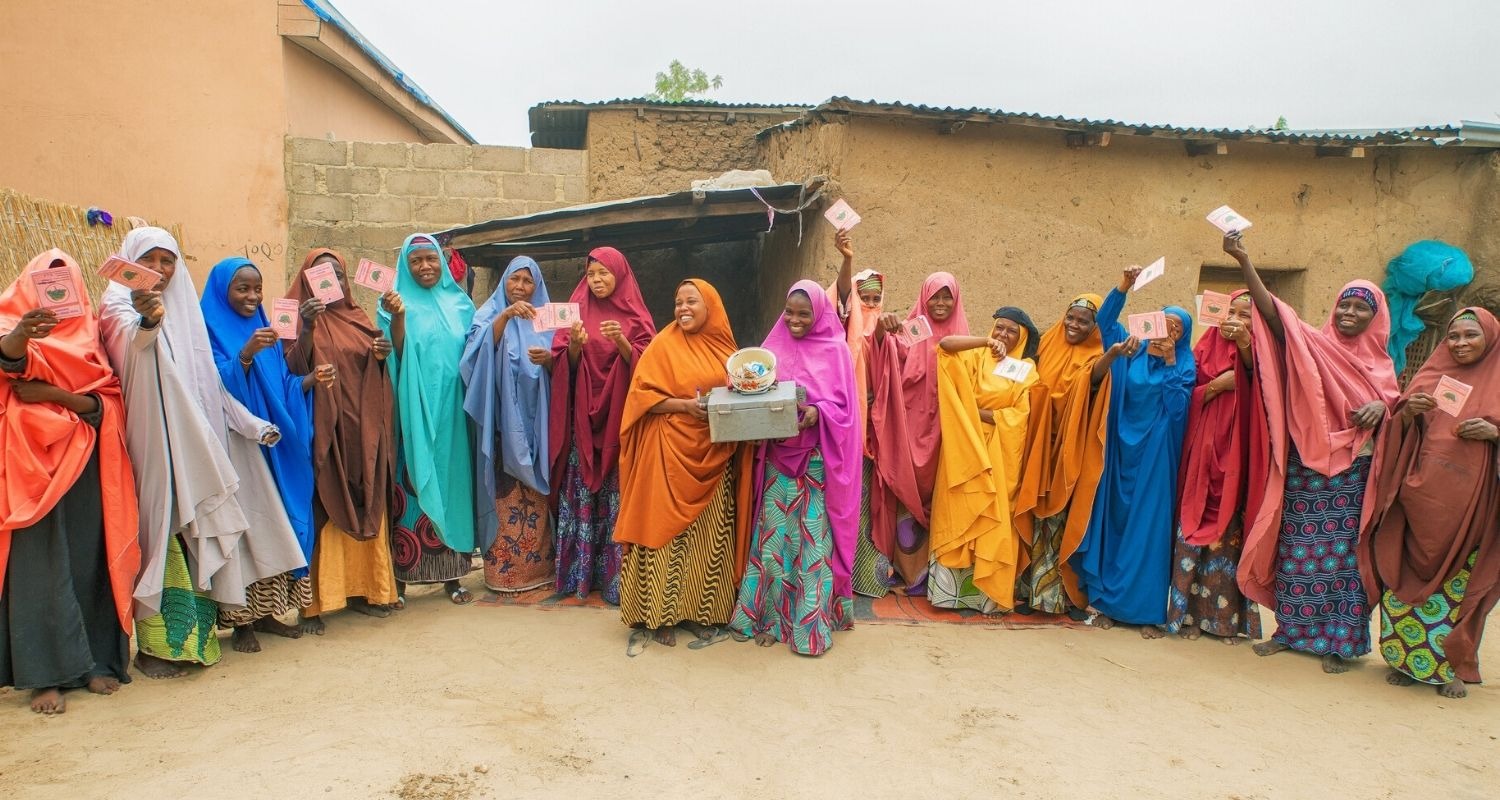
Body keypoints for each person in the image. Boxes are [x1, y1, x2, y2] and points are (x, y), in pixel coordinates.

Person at [100, 227, 301, 677]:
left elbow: (211, 381)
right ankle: (157, 649)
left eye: (166, 261)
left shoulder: (187, 312)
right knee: (162, 536)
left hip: (198, 446)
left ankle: (198, 642)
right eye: (147, 260)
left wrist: (251, 425)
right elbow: (130, 349)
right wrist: (146, 320)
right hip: (153, 443)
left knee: (199, 539)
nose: (157, 270)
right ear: (129, 262)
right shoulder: (117, 304)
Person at [1230, 233, 1400, 674]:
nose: (1348, 313)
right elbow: (1273, 314)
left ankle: (1340, 643)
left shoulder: (1382, 364)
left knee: (1343, 557)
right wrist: (1244, 260)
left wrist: (1384, 408)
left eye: (1360, 307)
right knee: (1296, 550)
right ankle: (1291, 630)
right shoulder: (1312, 344)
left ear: (1376, 317)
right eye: (1344, 304)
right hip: (1304, 465)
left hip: (1352, 473)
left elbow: (1397, 411)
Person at [0, 250, 139, 714]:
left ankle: (97, 662)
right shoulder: (11, 324)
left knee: (89, 559)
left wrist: (57, 396)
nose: (57, 290)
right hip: (31, 469)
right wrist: (21, 334)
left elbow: (106, 405)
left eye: (65, 282)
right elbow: (10, 367)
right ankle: (46, 676)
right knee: (39, 568)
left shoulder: (93, 334)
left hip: (87, 469)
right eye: (47, 280)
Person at [1366, 307, 1500, 699]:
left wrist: (1494, 433)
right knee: (1405, 573)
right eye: (1453, 336)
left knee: (1460, 582)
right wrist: (1409, 413)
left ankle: (1452, 665)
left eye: (1470, 335)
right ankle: (1404, 660)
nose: (1460, 344)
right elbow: (1396, 427)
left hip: (1473, 506)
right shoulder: (1431, 375)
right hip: (1418, 494)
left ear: (1489, 337)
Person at [614, 279, 752, 653]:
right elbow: (641, 397)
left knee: (709, 537)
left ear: (711, 306)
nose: (683, 309)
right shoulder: (663, 344)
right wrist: (683, 406)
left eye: (692, 301)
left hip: (715, 454)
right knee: (664, 534)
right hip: (667, 452)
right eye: (678, 302)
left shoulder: (727, 350)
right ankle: (657, 614)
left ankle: (701, 612)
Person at [201, 257, 327, 652]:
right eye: (242, 289)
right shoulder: (206, 327)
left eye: (257, 289)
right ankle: (241, 624)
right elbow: (213, 385)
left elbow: (282, 384)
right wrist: (244, 354)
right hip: (237, 449)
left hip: (273, 445)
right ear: (224, 290)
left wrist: (309, 380)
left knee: (276, 528)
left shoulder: (263, 326)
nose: (252, 297)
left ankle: (269, 612)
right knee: (246, 532)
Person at [728, 281, 859, 655]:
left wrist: (818, 412)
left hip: (815, 464)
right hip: (776, 461)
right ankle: (769, 619)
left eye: (804, 314)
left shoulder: (837, 352)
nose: (795, 320)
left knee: (812, 546)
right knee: (772, 543)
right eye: (790, 312)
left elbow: (847, 414)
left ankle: (808, 629)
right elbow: (753, 390)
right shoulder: (771, 350)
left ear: (818, 313)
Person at [1074, 267, 1195, 634]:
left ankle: (1145, 613)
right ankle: (1107, 605)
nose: (1168, 333)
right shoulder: (1132, 350)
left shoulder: (1185, 364)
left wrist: (1172, 362)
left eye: (1177, 329)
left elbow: (1178, 412)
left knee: (1148, 531)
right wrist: (1123, 287)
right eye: (1165, 324)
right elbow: (1105, 325)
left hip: (1156, 459)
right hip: (1119, 451)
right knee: (1113, 524)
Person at [285, 249, 399, 633]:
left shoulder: (358, 317)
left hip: (362, 426)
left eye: (336, 274)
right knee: (323, 504)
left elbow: (372, 362)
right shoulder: (293, 316)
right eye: (320, 274)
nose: (329, 280)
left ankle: (370, 590)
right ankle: (315, 604)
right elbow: (287, 370)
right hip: (323, 428)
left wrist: (380, 356)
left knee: (368, 494)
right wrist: (306, 328)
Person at [547, 247, 655, 603]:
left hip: (620, 420)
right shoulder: (575, 311)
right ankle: (579, 576)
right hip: (583, 422)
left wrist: (622, 341)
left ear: (620, 274)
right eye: (591, 274)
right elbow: (564, 363)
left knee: (616, 491)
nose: (596, 281)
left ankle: (615, 581)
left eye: (604, 273)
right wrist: (575, 346)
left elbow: (649, 366)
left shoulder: (635, 314)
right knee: (581, 489)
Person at [379, 233, 477, 605]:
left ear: (441, 262)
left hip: (452, 414)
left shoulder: (461, 305)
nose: (424, 266)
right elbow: (395, 357)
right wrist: (399, 317)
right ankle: (402, 580)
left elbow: (474, 355)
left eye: (430, 259)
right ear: (406, 264)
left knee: (452, 489)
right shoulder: (391, 304)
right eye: (416, 260)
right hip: (413, 414)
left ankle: (452, 578)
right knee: (412, 490)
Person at [1162, 290, 1263, 643]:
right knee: (1191, 531)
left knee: (1227, 538)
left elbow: (1265, 387)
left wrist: (1245, 360)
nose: (1235, 319)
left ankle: (1225, 622)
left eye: (1245, 314)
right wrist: (1217, 386)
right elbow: (1184, 388)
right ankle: (1186, 615)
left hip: (1237, 458)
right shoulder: (1205, 346)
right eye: (1230, 311)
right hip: (1201, 456)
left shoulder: (1264, 356)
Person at [927, 307, 1040, 612]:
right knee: (960, 510)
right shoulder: (976, 355)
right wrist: (984, 342)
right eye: (998, 328)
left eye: (1011, 331)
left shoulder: (1026, 369)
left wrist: (979, 414)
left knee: (992, 517)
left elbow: (1022, 415)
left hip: (999, 452)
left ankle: (985, 597)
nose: (1003, 334)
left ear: (1023, 337)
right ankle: (950, 594)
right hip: (965, 448)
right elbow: (946, 347)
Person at [867, 272, 970, 595]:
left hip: (945, 435)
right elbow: (885, 355)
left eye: (946, 297)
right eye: (934, 297)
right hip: (907, 433)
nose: (940, 304)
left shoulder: (963, 338)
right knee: (903, 499)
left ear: (956, 301)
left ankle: (936, 577)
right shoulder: (912, 331)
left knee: (941, 500)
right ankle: (907, 571)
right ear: (923, 298)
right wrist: (883, 330)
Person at [1012, 294, 1110, 618]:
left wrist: (1107, 360)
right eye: (1071, 317)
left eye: (1083, 321)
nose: (1074, 325)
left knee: (1061, 519)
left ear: (1094, 326)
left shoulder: (1095, 354)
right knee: (1034, 513)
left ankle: (1058, 597)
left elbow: (1093, 381)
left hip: (1068, 448)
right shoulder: (1047, 342)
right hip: (1036, 445)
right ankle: (1028, 592)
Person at [462, 256, 556, 594]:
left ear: (537, 286)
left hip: (538, 425)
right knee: (504, 499)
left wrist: (551, 360)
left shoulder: (546, 319)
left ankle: (540, 570)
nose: (520, 287)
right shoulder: (487, 314)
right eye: (514, 279)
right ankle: (504, 574)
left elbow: (565, 364)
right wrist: (505, 316)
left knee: (536, 498)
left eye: (527, 281)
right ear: (503, 282)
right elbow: (473, 359)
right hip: (502, 427)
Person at [824, 231, 892, 598]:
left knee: (871, 507)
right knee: (843, 503)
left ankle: (867, 577)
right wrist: (847, 261)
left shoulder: (889, 330)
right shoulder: (841, 332)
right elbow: (843, 304)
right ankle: (837, 576)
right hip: (847, 431)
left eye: (875, 298)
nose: (868, 304)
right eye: (863, 298)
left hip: (877, 435)